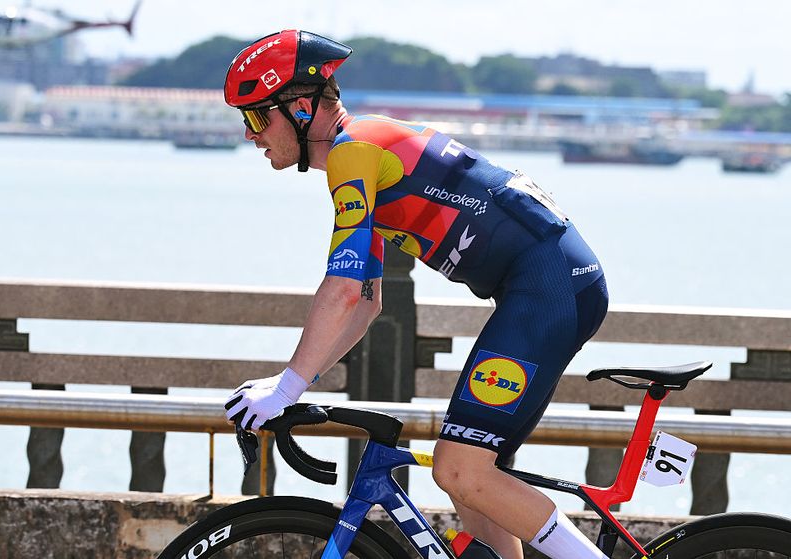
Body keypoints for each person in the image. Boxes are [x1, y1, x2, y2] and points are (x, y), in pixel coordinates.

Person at [223, 30, 610, 559]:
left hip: (548, 286)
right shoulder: (363, 150)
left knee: (458, 468)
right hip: (551, 282)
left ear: (300, 106)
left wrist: (288, 386)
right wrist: (297, 380)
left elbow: (340, 287)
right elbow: (364, 301)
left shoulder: (353, 152)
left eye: (254, 117)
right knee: (474, 487)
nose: (249, 135)